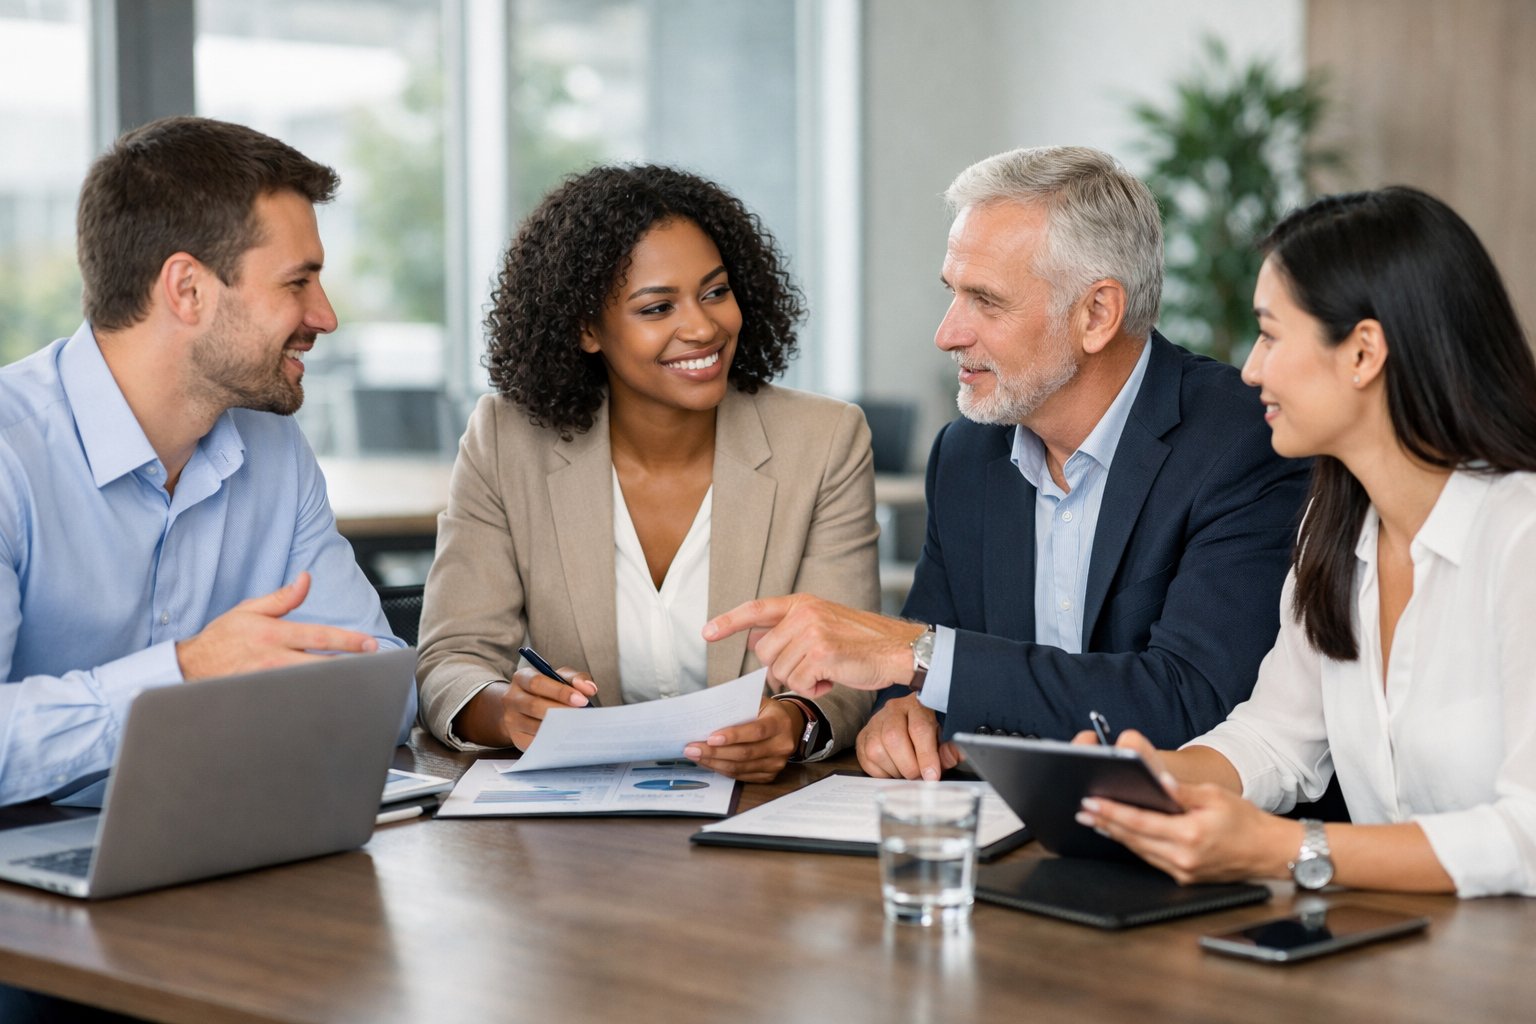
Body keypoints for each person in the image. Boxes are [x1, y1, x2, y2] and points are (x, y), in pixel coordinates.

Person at [704, 145, 1310, 780]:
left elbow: (1196, 704)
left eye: (986, 301)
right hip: (994, 818)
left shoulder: (1244, 440)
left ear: (1097, 314)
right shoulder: (966, 455)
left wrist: (918, 658)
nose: (947, 334)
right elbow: (913, 671)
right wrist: (901, 714)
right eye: (953, 293)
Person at [1076, 187, 1536, 898]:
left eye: (1270, 335)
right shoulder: (1336, 524)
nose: (1251, 369)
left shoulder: (1519, 535)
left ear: (1363, 352)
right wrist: (1157, 777)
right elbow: (1276, 736)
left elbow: (1527, 833)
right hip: (1402, 944)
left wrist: (1286, 848)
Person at [0, 116, 414, 809]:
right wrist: (185, 673)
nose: (325, 316)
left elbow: (381, 690)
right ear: (187, 289)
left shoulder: (276, 451)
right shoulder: (11, 455)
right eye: (297, 282)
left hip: (216, 839)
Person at [415, 165, 879, 782]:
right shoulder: (506, 441)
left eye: (715, 292)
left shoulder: (824, 441)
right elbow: (453, 658)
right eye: (658, 307)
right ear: (586, 329)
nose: (703, 327)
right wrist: (507, 712)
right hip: (570, 814)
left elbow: (847, 666)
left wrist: (792, 723)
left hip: (757, 805)